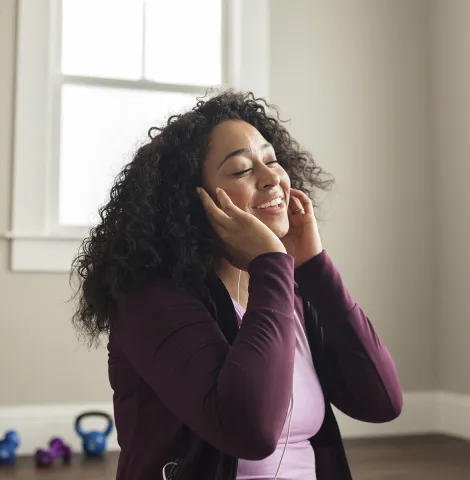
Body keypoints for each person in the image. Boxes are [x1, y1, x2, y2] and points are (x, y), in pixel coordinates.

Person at [71, 90, 403, 480]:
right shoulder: (150, 298)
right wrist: (273, 266)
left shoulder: (288, 291)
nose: (271, 179)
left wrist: (314, 268)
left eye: (272, 160)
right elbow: (251, 432)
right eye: (243, 169)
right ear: (192, 200)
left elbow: (382, 402)